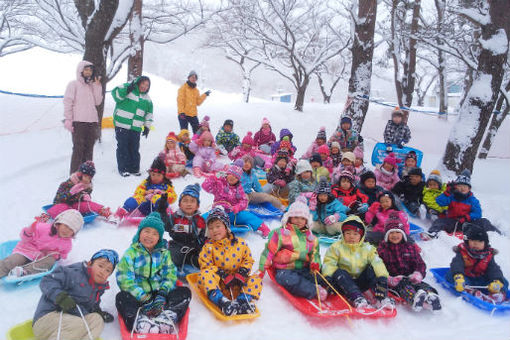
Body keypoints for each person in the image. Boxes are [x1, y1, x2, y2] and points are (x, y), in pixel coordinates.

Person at [116, 212, 192, 334]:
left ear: (159, 238)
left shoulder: (164, 253)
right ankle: (139, 320)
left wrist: (162, 293)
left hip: (159, 296)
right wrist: (144, 298)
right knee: (122, 298)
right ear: (139, 233)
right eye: (146, 231)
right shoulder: (131, 253)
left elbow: (170, 274)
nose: (150, 236)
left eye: (155, 233)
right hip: (138, 296)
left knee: (184, 292)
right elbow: (125, 280)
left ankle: (166, 317)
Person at [32, 249, 118, 340]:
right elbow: (47, 281)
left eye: (108, 270)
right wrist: (60, 297)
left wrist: (98, 311)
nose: (102, 271)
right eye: (100, 266)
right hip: (47, 319)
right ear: (90, 263)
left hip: (71, 322)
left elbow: (90, 305)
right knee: (78, 324)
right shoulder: (74, 273)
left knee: (97, 320)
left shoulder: (98, 287)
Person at [198, 207, 263, 315]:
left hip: (238, 283)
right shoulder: (208, 247)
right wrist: (222, 274)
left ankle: (242, 301)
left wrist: (242, 272)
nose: (214, 230)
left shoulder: (241, 243)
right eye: (211, 228)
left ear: (226, 227)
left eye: (218, 226)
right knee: (205, 275)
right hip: (219, 285)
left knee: (256, 279)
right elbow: (206, 266)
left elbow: (248, 260)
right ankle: (223, 303)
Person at [259, 200, 326, 301]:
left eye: (302, 218)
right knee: (287, 279)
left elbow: (315, 255)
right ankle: (314, 290)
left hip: (304, 268)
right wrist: (261, 269)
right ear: (289, 218)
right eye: (296, 217)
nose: (299, 221)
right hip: (285, 269)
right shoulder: (280, 234)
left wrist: (315, 263)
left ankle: (332, 286)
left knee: (320, 276)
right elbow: (269, 251)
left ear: (307, 221)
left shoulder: (311, 238)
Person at [322, 216, 394, 309]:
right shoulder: (336, 247)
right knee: (339, 272)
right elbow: (329, 262)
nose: (351, 236)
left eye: (355, 234)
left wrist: (382, 277)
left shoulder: (367, 248)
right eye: (348, 233)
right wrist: (328, 277)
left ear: (361, 235)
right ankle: (357, 298)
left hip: (361, 282)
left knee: (372, 270)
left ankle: (381, 297)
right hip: (343, 283)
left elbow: (377, 262)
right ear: (343, 234)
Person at [377, 220, 441, 312]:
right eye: (391, 233)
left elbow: (420, 263)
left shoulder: (409, 247)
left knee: (422, 285)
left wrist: (418, 273)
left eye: (398, 232)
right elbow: (378, 267)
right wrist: (388, 278)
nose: (395, 235)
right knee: (404, 287)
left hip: (411, 277)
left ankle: (431, 296)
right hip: (395, 281)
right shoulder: (382, 250)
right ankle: (415, 298)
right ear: (387, 235)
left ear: (403, 234)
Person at [0, 210, 83, 278]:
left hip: (42, 257)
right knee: (14, 260)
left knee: (50, 262)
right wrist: (29, 231)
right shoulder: (42, 228)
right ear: (58, 223)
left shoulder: (67, 244)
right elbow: (25, 238)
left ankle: (24, 272)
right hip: (27, 250)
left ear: (74, 233)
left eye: (71, 229)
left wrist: (55, 255)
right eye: (65, 226)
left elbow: (63, 255)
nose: (66, 230)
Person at [202, 165, 271, 237]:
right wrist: (214, 178)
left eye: (235, 177)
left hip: (233, 213)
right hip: (218, 212)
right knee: (205, 217)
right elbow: (205, 186)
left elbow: (244, 201)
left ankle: (263, 228)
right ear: (227, 174)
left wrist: (237, 207)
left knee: (248, 216)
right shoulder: (219, 183)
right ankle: (195, 226)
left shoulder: (239, 189)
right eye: (231, 174)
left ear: (238, 179)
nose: (232, 177)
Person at [427, 169, 501, 237]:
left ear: (469, 188)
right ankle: (431, 234)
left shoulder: (472, 200)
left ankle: (497, 235)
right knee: (439, 222)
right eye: (459, 186)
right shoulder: (452, 196)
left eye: (465, 186)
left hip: (467, 223)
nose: (462, 188)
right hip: (453, 221)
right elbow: (439, 202)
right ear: (456, 187)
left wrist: (466, 218)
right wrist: (447, 193)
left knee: (484, 222)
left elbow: (478, 213)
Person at [446, 223, 508, 303]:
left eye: (480, 241)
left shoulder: (488, 255)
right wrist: (458, 276)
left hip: (481, 279)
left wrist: (497, 281)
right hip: (465, 277)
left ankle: (498, 295)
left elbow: (493, 269)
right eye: (472, 240)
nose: (475, 244)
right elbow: (457, 264)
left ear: (485, 243)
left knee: (504, 281)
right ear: (468, 241)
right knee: (450, 275)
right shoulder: (463, 252)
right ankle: (471, 292)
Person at [63, 60, 103, 174]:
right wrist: (68, 119)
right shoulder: (73, 84)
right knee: (78, 149)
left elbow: (98, 101)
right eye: (86, 69)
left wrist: (97, 86)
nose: (88, 72)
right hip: (78, 122)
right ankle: (75, 174)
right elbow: (68, 102)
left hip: (92, 122)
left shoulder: (92, 85)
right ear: (80, 70)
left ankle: (87, 174)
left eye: (90, 70)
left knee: (89, 149)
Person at [112, 75, 153, 177]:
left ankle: (134, 168)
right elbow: (116, 95)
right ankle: (123, 168)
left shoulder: (147, 99)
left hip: (136, 127)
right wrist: (127, 89)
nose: (144, 86)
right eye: (143, 83)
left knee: (134, 148)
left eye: (147, 85)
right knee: (123, 147)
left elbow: (149, 114)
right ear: (138, 83)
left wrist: (147, 126)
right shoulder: (128, 88)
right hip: (122, 125)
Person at [45, 161, 111, 220]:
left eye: (89, 178)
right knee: (58, 209)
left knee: (90, 205)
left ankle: (106, 213)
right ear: (80, 175)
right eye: (85, 176)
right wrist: (70, 193)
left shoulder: (88, 187)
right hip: (64, 205)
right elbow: (57, 200)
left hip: (76, 206)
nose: (87, 179)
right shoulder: (66, 184)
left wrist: (86, 198)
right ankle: (45, 217)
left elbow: (82, 202)